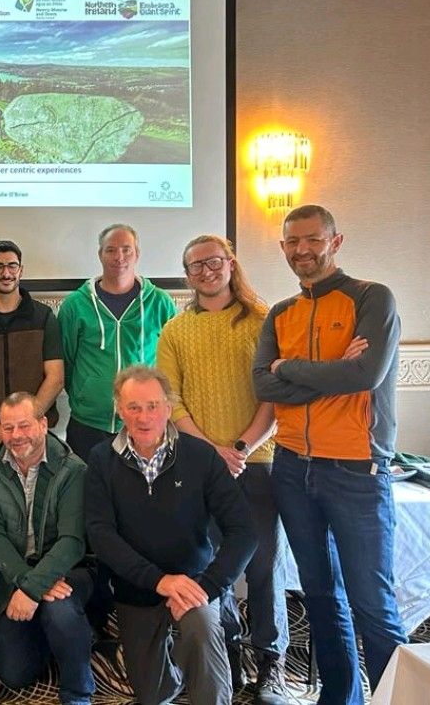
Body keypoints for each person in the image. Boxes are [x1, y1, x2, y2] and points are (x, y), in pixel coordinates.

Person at [253, 204, 406, 704]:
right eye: (292, 242)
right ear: (282, 248)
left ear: (335, 242)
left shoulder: (371, 298)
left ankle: (397, 697)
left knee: (373, 604)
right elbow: (265, 385)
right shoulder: (280, 313)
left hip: (358, 471)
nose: (302, 251)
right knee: (319, 596)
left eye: (312, 240)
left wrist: (290, 367)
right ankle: (341, 697)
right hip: (293, 468)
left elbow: (364, 375)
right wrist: (326, 373)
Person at [156, 234, 288, 704]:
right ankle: (228, 655)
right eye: (196, 267)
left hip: (257, 463)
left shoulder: (262, 320)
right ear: (187, 275)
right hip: (199, 467)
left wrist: (241, 446)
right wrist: (213, 451)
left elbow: (274, 394)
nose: (206, 272)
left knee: (263, 566)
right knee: (214, 566)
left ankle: (271, 665)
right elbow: (171, 400)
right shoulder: (175, 330)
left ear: (230, 263)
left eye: (213, 262)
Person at [84, 366, 256, 705]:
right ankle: (178, 670)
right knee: (153, 694)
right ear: (119, 408)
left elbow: (244, 530)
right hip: (137, 589)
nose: (144, 416)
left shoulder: (201, 456)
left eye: (152, 406)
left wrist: (207, 588)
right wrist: (160, 581)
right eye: (134, 407)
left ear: (167, 408)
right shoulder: (101, 459)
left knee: (202, 629)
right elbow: (100, 535)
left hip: (195, 584)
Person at [0, 240, 64, 637]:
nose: (5, 272)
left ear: (21, 270)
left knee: (46, 515)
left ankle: (42, 589)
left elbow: (55, 377)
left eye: (12, 266)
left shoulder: (44, 316)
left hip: (39, 432)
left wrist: (25, 424)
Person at [0, 393, 93, 705]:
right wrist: (27, 584)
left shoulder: (72, 469)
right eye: (8, 427)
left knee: (59, 610)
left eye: (24, 426)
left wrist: (32, 590)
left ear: (43, 424)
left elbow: (72, 542)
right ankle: (52, 635)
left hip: (67, 574)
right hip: (16, 579)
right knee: (15, 674)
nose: (16, 436)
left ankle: (78, 691)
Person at [58, 224, 177, 461]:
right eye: (111, 250)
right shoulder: (74, 305)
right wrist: (88, 393)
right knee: (89, 494)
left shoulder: (160, 302)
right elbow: (67, 362)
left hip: (145, 422)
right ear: (100, 254)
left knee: (144, 495)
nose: (119, 257)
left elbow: (173, 361)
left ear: (137, 254)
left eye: (127, 249)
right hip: (88, 424)